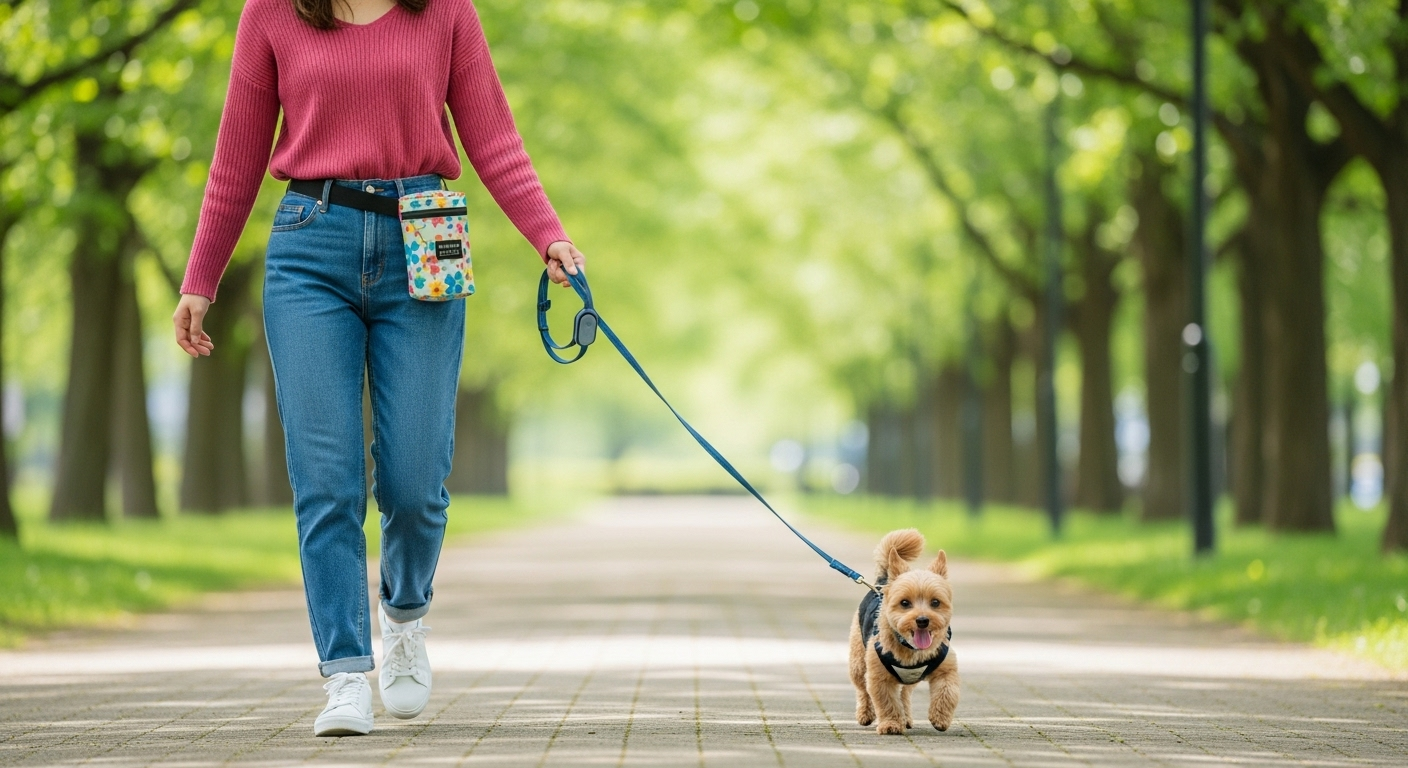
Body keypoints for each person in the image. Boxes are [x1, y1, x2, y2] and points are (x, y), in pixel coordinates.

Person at [171, 0, 585, 737]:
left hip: (425, 237)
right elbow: (235, 158)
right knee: (327, 479)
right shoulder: (270, 13)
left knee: (416, 480)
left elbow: (495, 138)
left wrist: (546, 235)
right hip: (309, 245)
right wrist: (200, 279)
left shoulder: (447, 12)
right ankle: (344, 674)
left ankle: (403, 617)